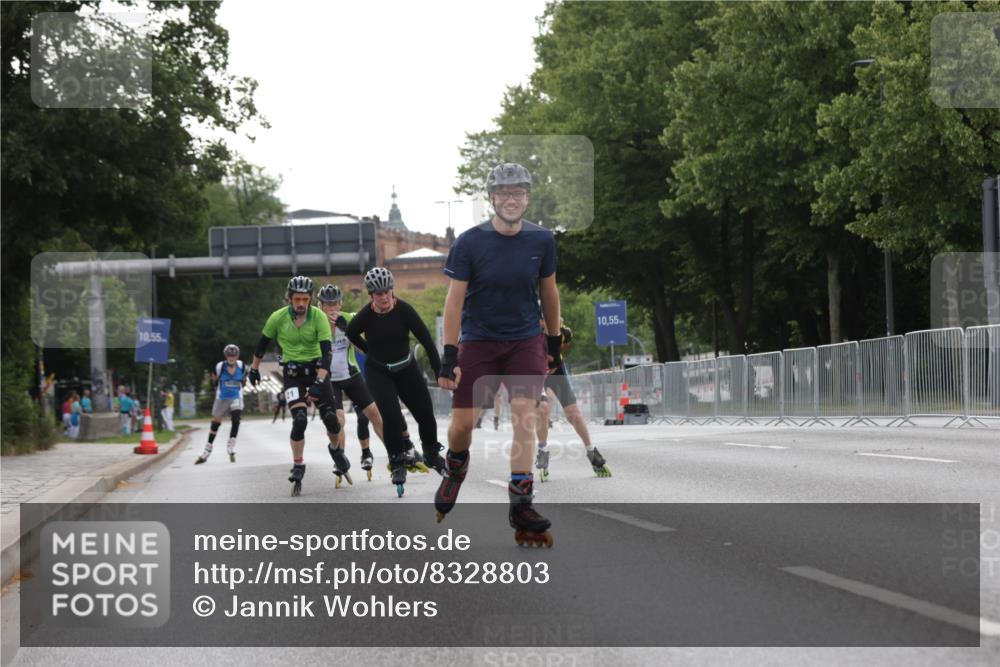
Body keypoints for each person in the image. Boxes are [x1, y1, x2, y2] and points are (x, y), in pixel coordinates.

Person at [435, 162, 559, 547]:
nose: (511, 199)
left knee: (527, 414)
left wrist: (553, 342)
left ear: (527, 197)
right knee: (463, 426)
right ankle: (455, 467)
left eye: (518, 193)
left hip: (524, 340)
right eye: (504, 193)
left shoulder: (542, 241)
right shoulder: (470, 243)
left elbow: (549, 293)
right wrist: (449, 355)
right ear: (491, 198)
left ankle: (521, 503)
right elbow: (454, 302)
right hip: (479, 340)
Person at [346, 267, 445, 497]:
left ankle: (430, 452)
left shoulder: (405, 311)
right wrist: (368, 350)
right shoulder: (365, 316)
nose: (384, 297)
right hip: (378, 372)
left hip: (406, 368)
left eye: (387, 291)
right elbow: (351, 333)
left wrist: (441, 371)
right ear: (371, 296)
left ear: (393, 290)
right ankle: (398, 463)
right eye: (378, 294)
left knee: (425, 413)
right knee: (390, 416)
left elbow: (427, 342)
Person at [248, 276, 343, 496]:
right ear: (289, 299)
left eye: (305, 299)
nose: (301, 304)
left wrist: (319, 382)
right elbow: (261, 345)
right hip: (293, 374)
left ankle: (336, 449)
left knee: (331, 419)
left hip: (318, 369)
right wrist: (253, 369)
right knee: (299, 419)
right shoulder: (277, 318)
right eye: (297, 299)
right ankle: (298, 464)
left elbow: (327, 354)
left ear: (310, 299)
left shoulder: (318, 316)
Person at [316, 283, 386, 483]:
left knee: (374, 415)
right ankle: (340, 456)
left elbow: (365, 349)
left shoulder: (349, 318)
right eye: (327, 305)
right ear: (319, 306)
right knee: (338, 421)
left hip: (351, 375)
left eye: (335, 304)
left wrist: (345, 329)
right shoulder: (314, 324)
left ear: (340, 304)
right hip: (330, 380)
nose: (332, 308)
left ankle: (395, 454)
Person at [534, 317, 610, 480]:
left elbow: (562, 346)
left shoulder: (564, 332)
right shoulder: (528, 332)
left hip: (556, 370)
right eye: (541, 319)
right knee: (542, 409)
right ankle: (542, 450)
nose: (544, 322)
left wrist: (554, 358)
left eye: (545, 319)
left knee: (573, 412)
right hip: (535, 371)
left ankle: (591, 451)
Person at [195, 344, 246, 464]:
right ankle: (207, 450)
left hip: (236, 396)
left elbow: (244, 381)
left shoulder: (242, 366)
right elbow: (214, 379)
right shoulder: (220, 366)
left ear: (237, 356)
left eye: (233, 355)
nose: (231, 358)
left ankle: (231, 445)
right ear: (226, 356)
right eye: (229, 355)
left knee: (236, 418)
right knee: (215, 424)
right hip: (222, 397)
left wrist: (240, 384)